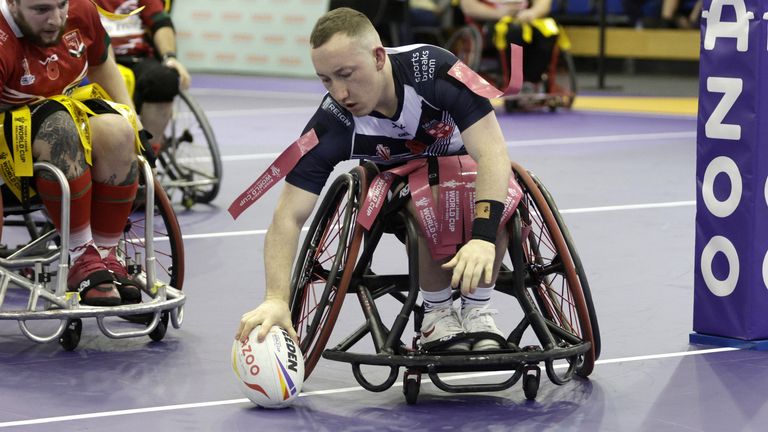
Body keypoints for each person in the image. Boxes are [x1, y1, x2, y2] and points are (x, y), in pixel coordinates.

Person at [236, 7, 518, 352]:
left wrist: (483, 238)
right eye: (326, 80)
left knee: (506, 199)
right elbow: (288, 214)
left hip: (467, 171)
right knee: (431, 196)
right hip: (405, 191)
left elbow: (492, 152)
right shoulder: (334, 122)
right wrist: (276, 298)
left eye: (346, 74)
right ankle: (436, 314)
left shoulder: (436, 71)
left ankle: (478, 310)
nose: (340, 92)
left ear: (379, 57)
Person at [0, 0, 145, 306]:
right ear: (12, 3)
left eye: (60, 6)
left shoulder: (81, 10)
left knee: (120, 132)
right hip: (9, 137)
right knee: (59, 127)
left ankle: (104, 256)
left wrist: (134, 121)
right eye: (40, 10)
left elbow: (101, 61)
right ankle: (80, 256)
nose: (55, 20)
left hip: (65, 110)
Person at [92, 0, 190, 156]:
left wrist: (170, 57)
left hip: (138, 58)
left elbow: (160, 21)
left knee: (165, 80)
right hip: (98, 62)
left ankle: (150, 153)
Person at [457, 0, 557, 87]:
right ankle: (514, 81)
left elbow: (543, 3)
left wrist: (532, 13)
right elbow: (468, 6)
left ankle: (532, 81)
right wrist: (499, 13)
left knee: (549, 32)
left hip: (525, 19)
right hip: (490, 21)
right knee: (514, 32)